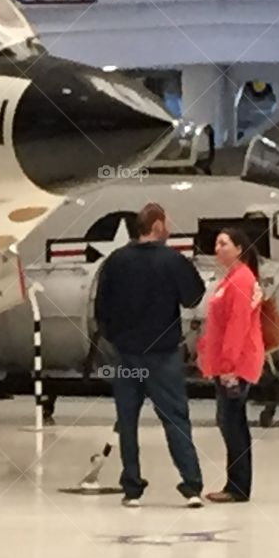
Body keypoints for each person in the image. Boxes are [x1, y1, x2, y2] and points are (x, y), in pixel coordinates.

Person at [94, 204, 207, 508]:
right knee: (175, 418)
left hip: (127, 356)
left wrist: (118, 339)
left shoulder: (115, 262)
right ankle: (192, 485)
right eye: (166, 222)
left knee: (127, 421)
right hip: (163, 356)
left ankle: (132, 488)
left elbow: (100, 311)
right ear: (157, 226)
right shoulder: (173, 261)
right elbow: (193, 297)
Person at [197, 228, 265, 503]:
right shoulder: (233, 278)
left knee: (231, 422)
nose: (218, 249)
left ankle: (237, 487)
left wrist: (228, 366)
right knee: (230, 422)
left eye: (223, 243)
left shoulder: (240, 280)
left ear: (239, 248)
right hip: (227, 361)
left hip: (235, 364)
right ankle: (236, 483)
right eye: (216, 243)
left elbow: (237, 325)